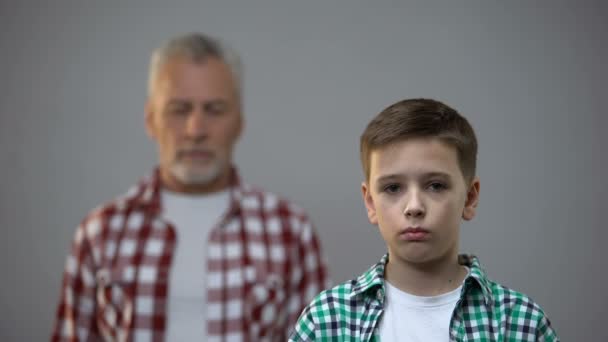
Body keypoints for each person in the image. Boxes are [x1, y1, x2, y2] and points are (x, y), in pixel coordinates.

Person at [51, 32, 329, 341]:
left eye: (214, 109)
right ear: (150, 119)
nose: (196, 130)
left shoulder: (290, 231)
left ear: (239, 121)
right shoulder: (99, 232)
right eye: (179, 109)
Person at [290, 98, 558, 341]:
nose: (414, 207)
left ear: (470, 198)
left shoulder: (521, 323)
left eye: (436, 186)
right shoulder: (327, 321)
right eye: (393, 188)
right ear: (370, 202)